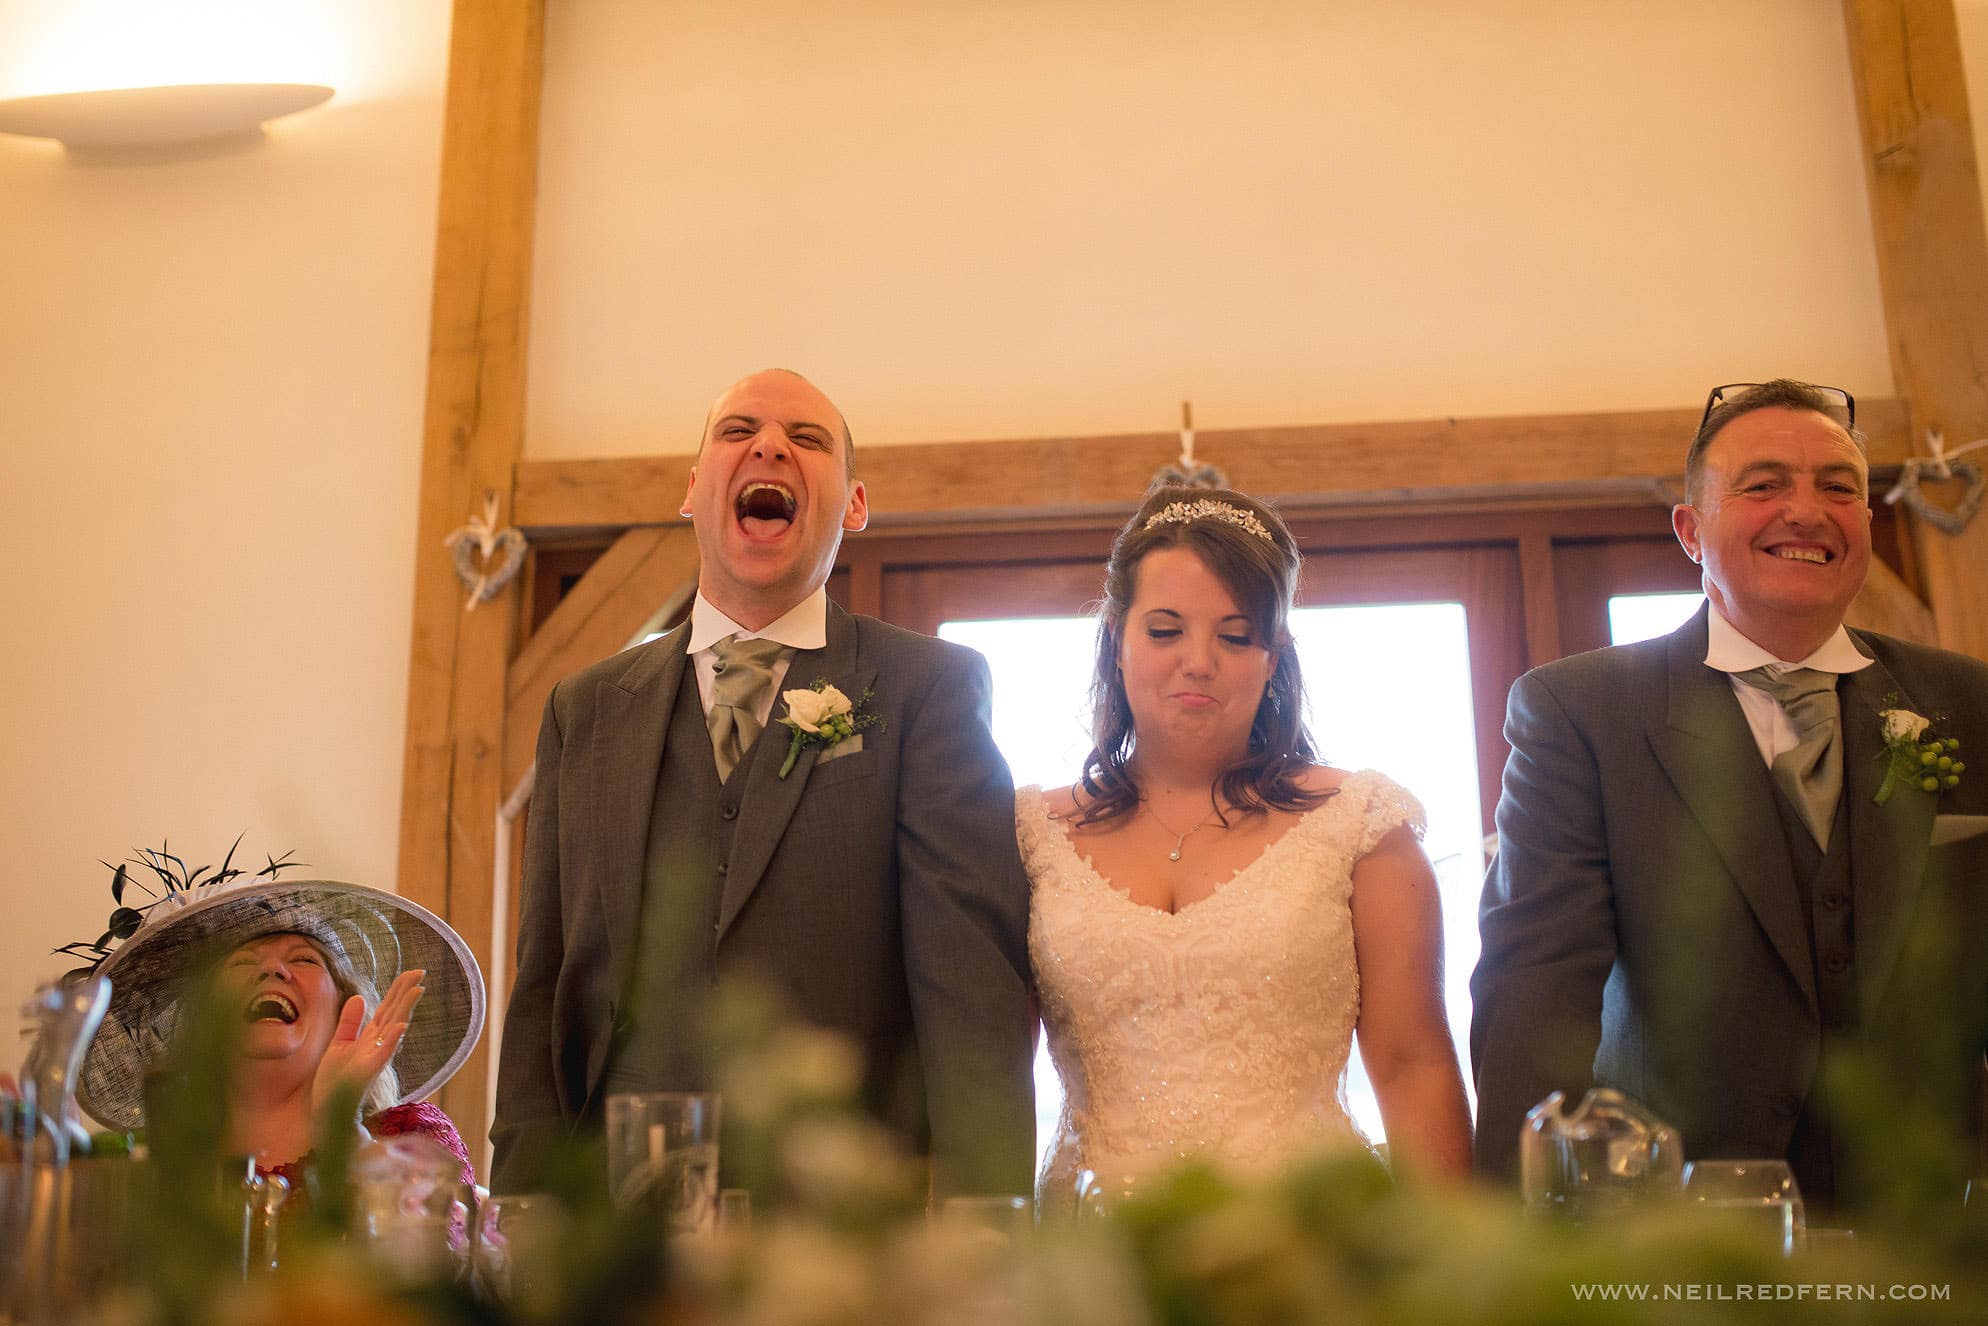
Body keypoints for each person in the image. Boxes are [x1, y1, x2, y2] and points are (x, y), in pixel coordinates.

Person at [490, 368, 1034, 1197]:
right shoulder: (585, 708)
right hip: (621, 1214)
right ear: (693, 490)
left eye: (807, 439)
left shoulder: (928, 688)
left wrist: (986, 1216)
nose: (770, 444)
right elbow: (544, 982)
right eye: (736, 430)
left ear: (853, 505)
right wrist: (522, 1207)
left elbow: (973, 993)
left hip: (843, 1211)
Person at [1472, 379, 1988, 1212]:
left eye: (1837, 487)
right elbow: (1538, 987)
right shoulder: (1583, 712)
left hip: (1935, 1218)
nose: (1807, 510)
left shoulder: (1967, 702)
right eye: (1764, 485)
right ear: (1691, 529)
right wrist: (1514, 1231)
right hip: (1680, 1222)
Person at [1019, 484, 1473, 1211]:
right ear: (1116, 637)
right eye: (1165, 630)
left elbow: (1413, 1064)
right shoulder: (1032, 835)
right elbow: (985, 1070)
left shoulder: (1361, 826)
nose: (1198, 661)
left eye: (1234, 636)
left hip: (1312, 1246)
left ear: (1273, 656)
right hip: (1093, 1250)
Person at [74, 875, 485, 1189]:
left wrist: (339, 1128)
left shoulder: (411, 1137)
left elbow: (440, 1275)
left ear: (346, 1008)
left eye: (304, 959)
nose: (273, 970)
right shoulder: (156, 1179)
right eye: (240, 964)